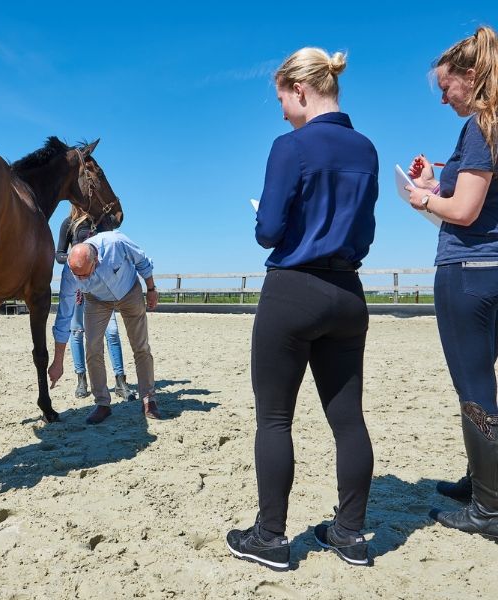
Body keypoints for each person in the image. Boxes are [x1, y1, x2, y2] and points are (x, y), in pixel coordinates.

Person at [226, 47, 379, 571]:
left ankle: (270, 538)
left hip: (294, 289)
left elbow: (268, 230)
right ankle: (351, 534)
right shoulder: (367, 149)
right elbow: (364, 230)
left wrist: (269, 221)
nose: (281, 111)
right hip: (348, 292)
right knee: (348, 421)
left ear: (299, 90)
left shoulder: (290, 146)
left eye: (281, 100)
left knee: (274, 419)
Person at [405, 26, 498, 539]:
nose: (443, 98)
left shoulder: (480, 127)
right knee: (486, 381)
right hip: (493, 267)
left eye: (447, 87)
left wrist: (422, 200)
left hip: (469, 271)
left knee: (475, 389)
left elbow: (463, 211)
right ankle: (485, 480)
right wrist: (434, 181)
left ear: (471, 75)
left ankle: (488, 510)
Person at [48, 231, 159, 424]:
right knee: (92, 348)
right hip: (97, 300)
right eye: (77, 276)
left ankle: (148, 399)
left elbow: (142, 262)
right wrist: (58, 361)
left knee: (141, 346)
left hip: (129, 291)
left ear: (96, 260)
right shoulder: (69, 274)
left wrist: (151, 289)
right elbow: (64, 316)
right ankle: (102, 403)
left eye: (85, 275)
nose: (80, 280)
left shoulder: (116, 243)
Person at [52, 207, 135, 401]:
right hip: (77, 280)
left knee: (112, 332)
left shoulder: (101, 222)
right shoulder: (68, 223)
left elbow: (115, 231)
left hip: (98, 284)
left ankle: (120, 380)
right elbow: (59, 255)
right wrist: (78, 258)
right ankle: (81, 379)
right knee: (77, 331)